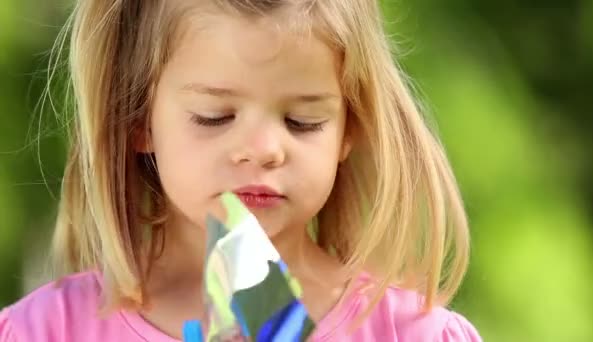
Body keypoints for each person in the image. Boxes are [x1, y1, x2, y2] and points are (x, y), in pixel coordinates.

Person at [0, 0, 482, 341]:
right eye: (215, 117)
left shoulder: (413, 332)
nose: (263, 150)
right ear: (138, 121)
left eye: (303, 121)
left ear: (347, 130)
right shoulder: (45, 331)